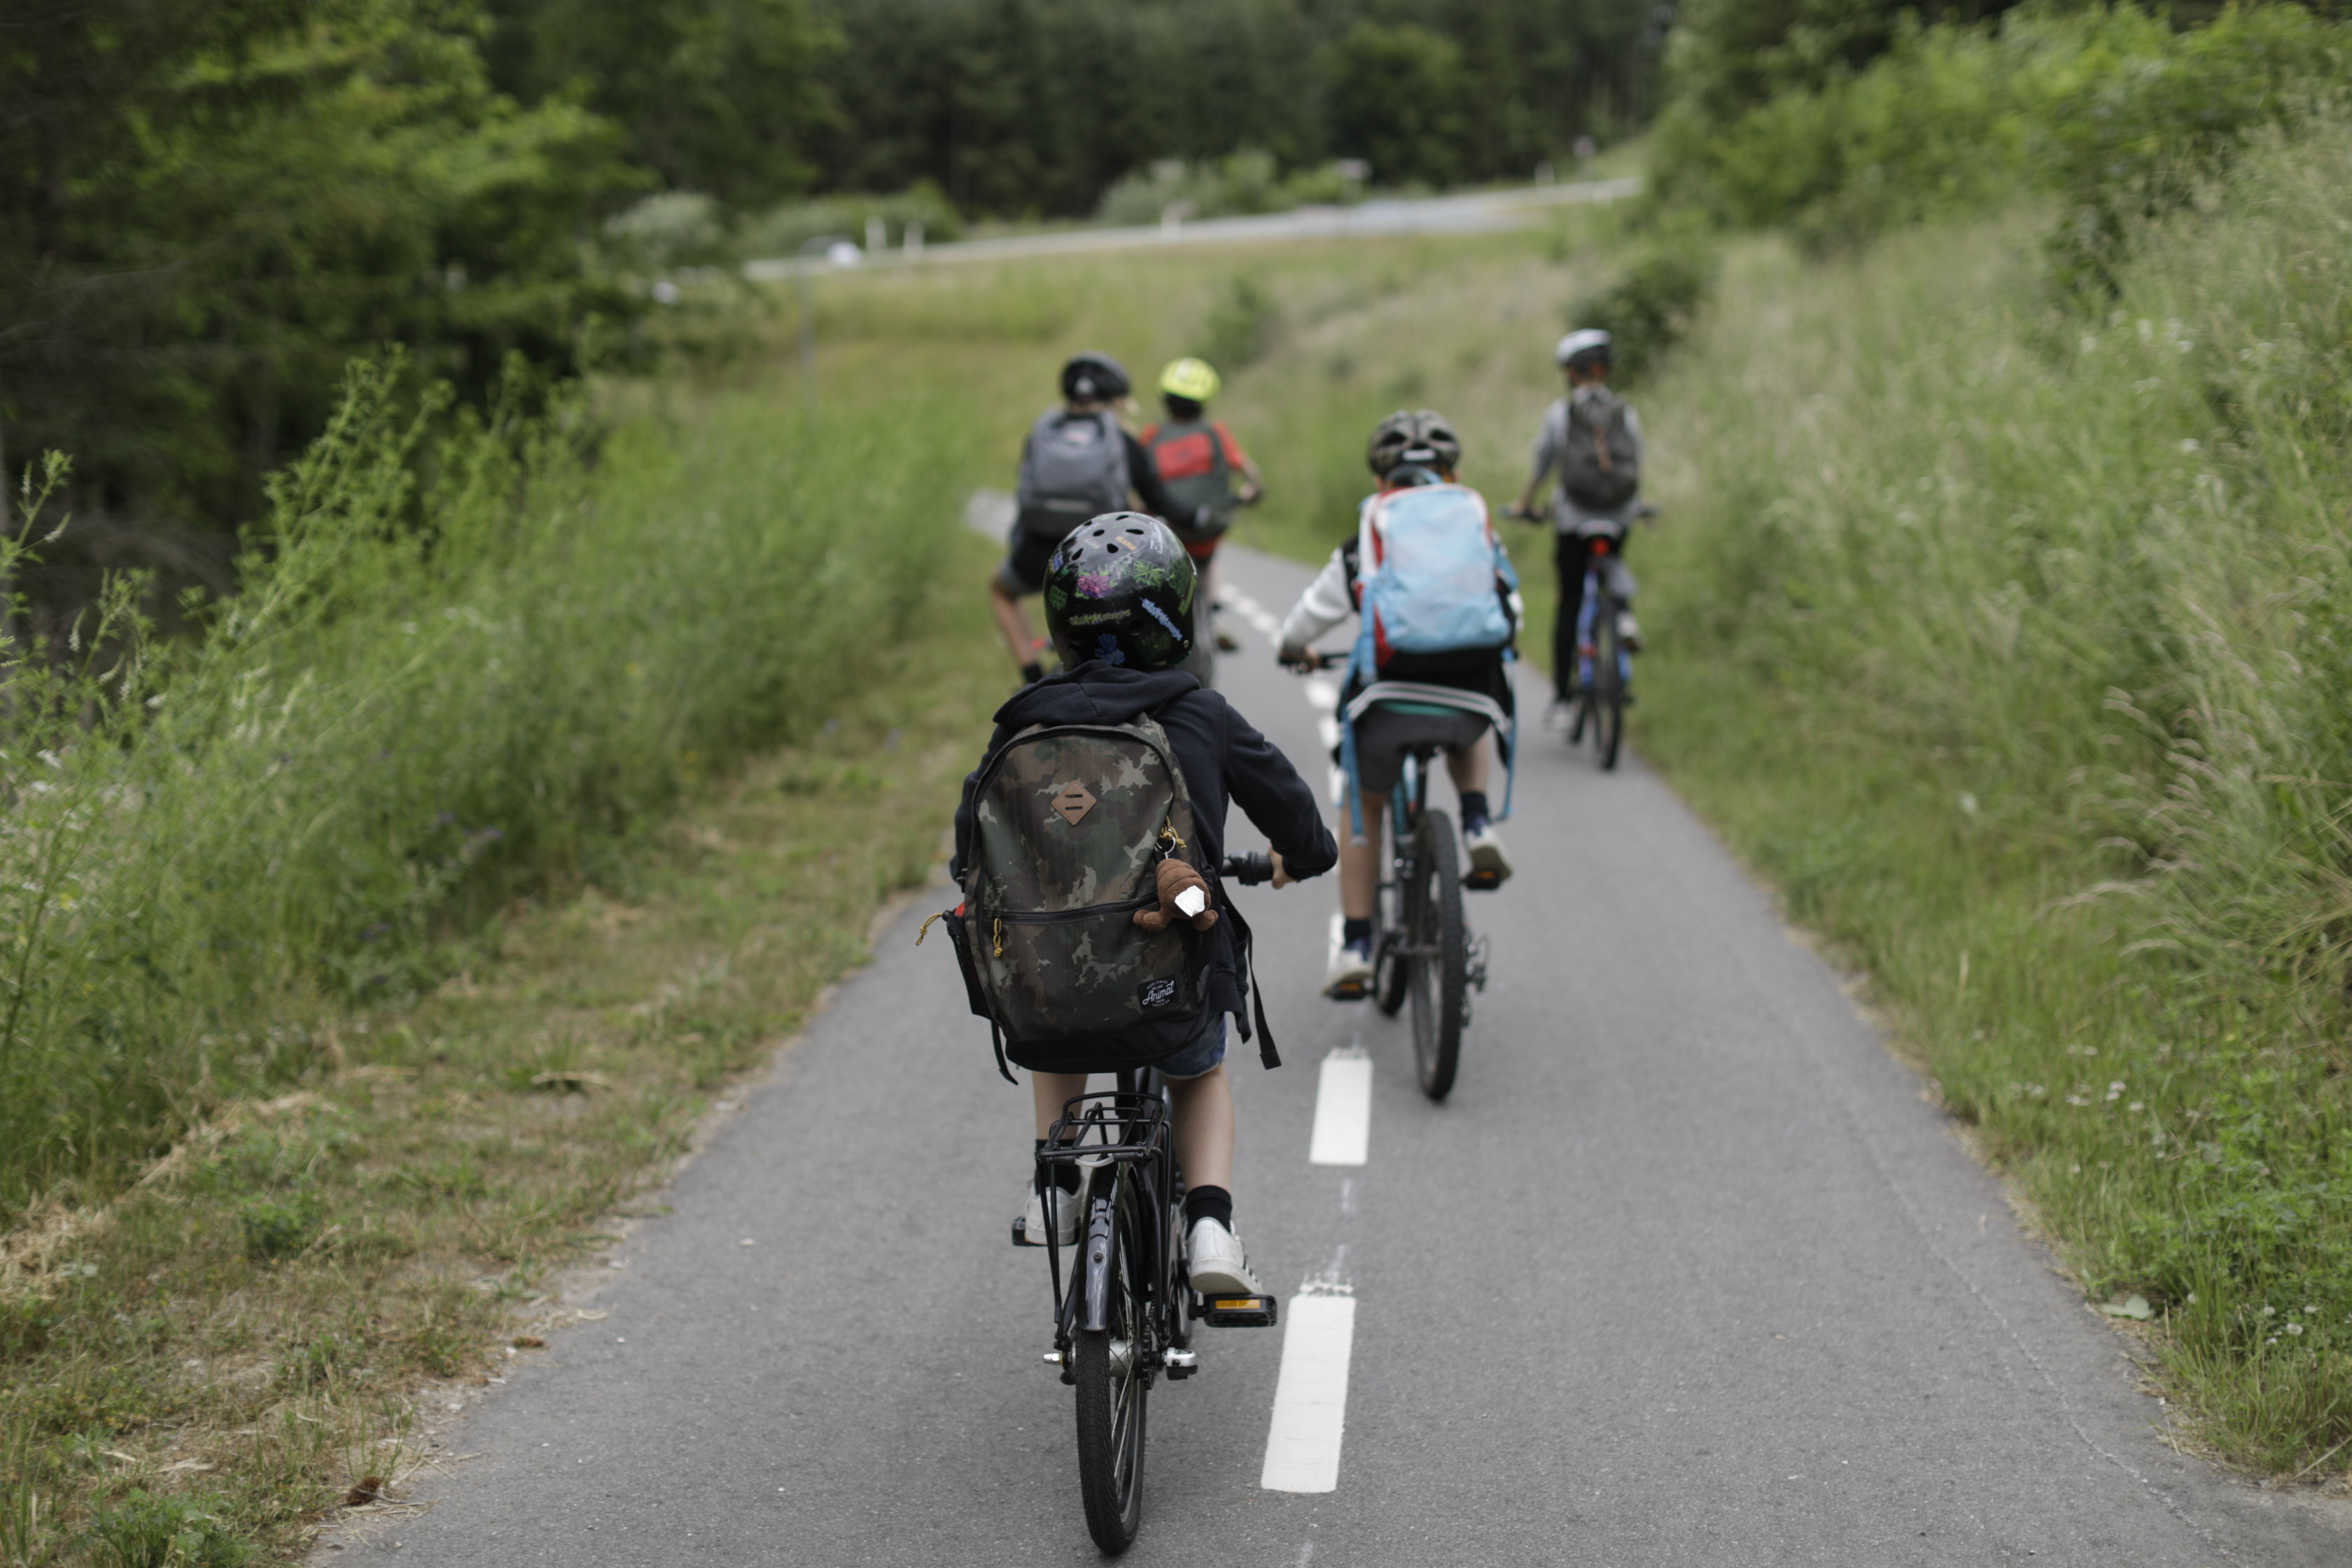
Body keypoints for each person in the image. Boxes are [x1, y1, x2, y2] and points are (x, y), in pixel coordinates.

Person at [952, 512, 1338, 1294]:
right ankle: (1210, 1229)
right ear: (1175, 618)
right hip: (1171, 973)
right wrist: (1298, 858)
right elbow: (1302, 823)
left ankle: (1055, 1188)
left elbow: (969, 853)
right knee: (1197, 1072)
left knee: (1054, 1000)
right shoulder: (1200, 712)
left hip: (1048, 995)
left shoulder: (1020, 722)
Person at [1275, 410, 1517, 1000]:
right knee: (1473, 706)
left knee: (1364, 804)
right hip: (1469, 700)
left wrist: (1295, 650)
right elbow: (1512, 617)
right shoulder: (1478, 529)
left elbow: (1304, 621)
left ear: (1380, 479)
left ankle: (1357, 944)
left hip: (1386, 701)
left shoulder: (1366, 533)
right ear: (1451, 472)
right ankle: (1478, 818)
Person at [993, 352, 1183, 685]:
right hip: (1108, 562)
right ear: (1115, 401)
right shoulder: (1121, 441)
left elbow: (1025, 494)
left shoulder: (1044, 434)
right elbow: (1158, 498)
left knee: (1001, 591)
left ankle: (1031, 674)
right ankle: (1158, 681)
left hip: (1043, 555)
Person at [1510, 328, 1645, 722]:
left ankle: (1563, 695)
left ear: (1571, 372)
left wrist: (1526, 503)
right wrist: (1637, 505)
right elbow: (1635, 463)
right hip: (1618, 514)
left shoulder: (1560, 413)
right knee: (1613, 568)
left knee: (1569, 601)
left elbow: (1544, 462)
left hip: (1574, 519)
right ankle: (1622, 615)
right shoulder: (1625, 412)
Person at [1140, 357, 1265, 654]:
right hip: (1207, 527)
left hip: (1165, 528)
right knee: (1208, 561)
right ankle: (1217, 615)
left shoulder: (1151, 437)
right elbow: (1252, 478)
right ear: (1205, 402)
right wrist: (1249, 494)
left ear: (1165, 399)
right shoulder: (1216, 434)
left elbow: (1140, 483)